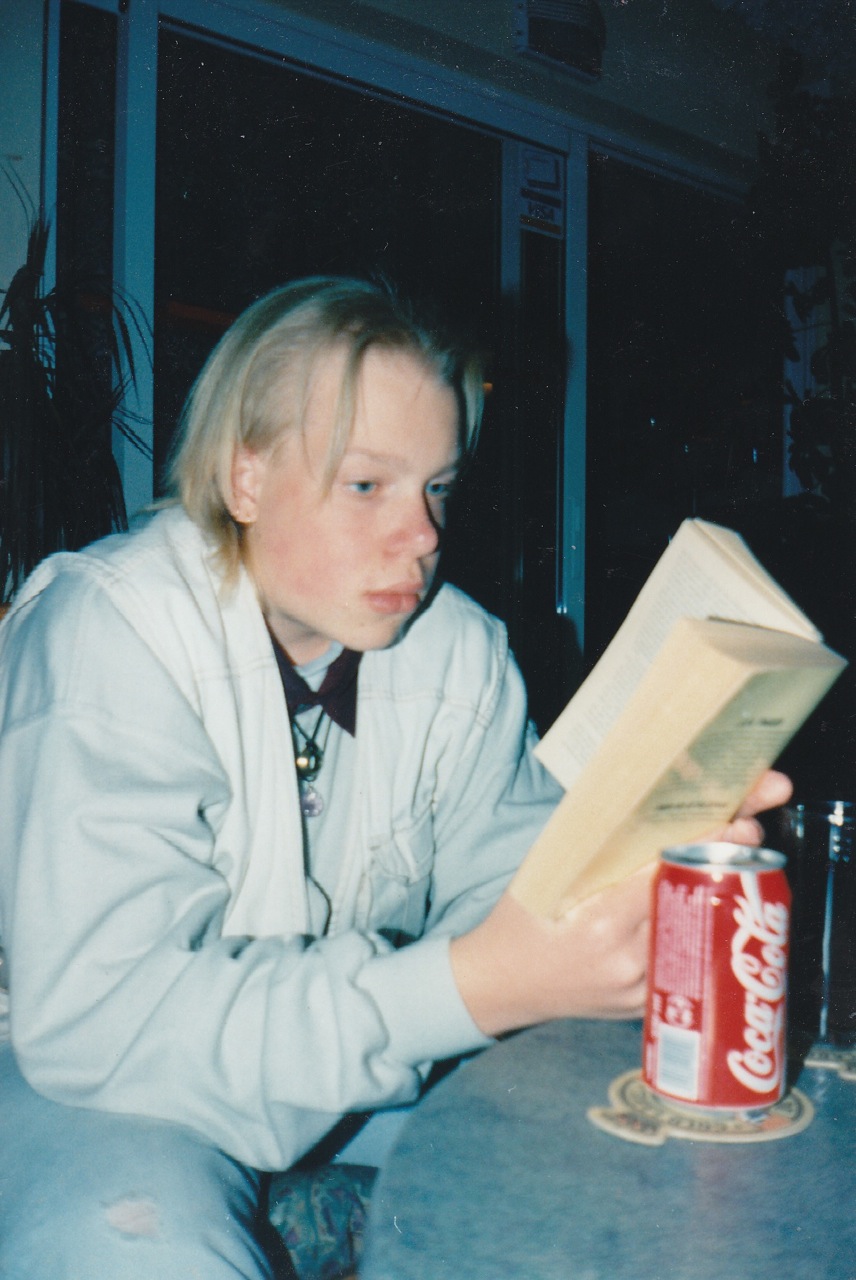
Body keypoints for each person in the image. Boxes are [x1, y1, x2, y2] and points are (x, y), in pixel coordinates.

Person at [0, 277, 789, 1278]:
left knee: (662, 1173)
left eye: (438, 487)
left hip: (338, 1079)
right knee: (136, 1250)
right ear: (246, 479)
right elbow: (106, 1021)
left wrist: (645, 845)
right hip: (96, 1083)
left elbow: (510, 898)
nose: (422, 536)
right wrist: (472, 982)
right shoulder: (107, 633)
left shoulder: (457, 652)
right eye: (367, 485)